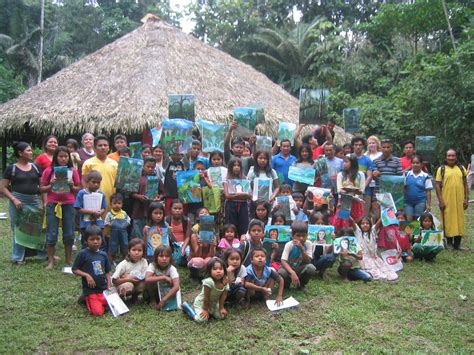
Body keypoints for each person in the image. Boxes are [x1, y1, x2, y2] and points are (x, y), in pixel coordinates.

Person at [0, 142, 44, 264]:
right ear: (20, 153)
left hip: (34, 200)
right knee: (18, 227)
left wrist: (44, 201)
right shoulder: (12, 168)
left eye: (31, 150)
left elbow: (41, 187)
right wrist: (14, 199)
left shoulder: (35, 167)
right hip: (17, 201)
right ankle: (18, 257)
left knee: (35, 228)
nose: (31, 153)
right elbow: (3, 187)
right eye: (28, 151)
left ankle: (39, 254)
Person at [40, 146, 81, 268]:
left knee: (69, 233)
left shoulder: (72, 171)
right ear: (56, 157)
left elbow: (78, 188)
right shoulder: (49, 171)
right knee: (52, 233)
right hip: (53, 203)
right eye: (60, 156)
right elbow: (41, 188)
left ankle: (68, 261)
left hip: (69, 203)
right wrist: (50, 185)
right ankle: (51, 261)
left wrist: (73, 186)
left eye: (65, 156)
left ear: (69, 157)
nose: (63, 159)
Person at [72, 225, 112, 317]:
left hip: (102, 289)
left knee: (112, 307)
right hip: (91, 289)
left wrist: (109, 284)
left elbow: (107, 271)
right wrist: (86, 275)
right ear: (86, 241)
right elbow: (74, 269)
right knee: (98, 313)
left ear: (101, 240)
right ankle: (86, 298)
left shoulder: (103, 255)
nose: (95, 241)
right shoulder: (82, 254)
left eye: (98, 239)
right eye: (92, 239)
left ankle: (93, 300)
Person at [435, 148, 468, 250]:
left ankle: (457, 244)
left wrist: (466, 198)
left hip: (459, 200)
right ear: (446, 157)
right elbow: (437, 185)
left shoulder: (462, 168)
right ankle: (449, 244)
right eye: (449, 155)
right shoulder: (442, 169)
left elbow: (465, 184)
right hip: (447, 200)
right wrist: (440, 201)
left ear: (456, 157)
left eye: (453, 155)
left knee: (459, 220)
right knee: (448, 220)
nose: (451, 157)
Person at [350, 217, 398, 281]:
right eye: (363, 223)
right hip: (364, 259)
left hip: (375, 258)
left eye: (367, 223)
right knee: (378, 274)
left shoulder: (373, 232)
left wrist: (386, 211)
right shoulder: (358, 232)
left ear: (370, 225)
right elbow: (352, 221)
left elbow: (380, 221)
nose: (365, 225)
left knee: (389, 272)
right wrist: (343, 211)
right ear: (359, 225)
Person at [81, 135, 118, 212]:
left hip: (112, 200)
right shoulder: (88, 163)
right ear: (94, 148)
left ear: (108, 148)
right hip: (94, 199)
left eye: (105, 145)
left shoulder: (115, 164)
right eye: (100, 145)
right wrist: (88, 195)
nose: (103, 147)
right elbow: (84, 180)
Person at [186, 257, 229, 322]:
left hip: (213, 304)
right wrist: (205, 310)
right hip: (202, 303)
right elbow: (206, 297)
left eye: (221, 269)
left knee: (221, 316)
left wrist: (221, 308)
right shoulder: (209, 282)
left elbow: (223, 296)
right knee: (202, 319)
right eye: (215, 269)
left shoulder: (225, 282)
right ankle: (188, 308)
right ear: (209, 271)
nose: (218, 271)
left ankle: (211, 311)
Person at [279, 221, 317, 290]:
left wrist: (302, 249)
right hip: (289, 268)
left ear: (307, 235)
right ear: (292, 236)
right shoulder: (289, 244)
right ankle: (286, 284)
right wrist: (292, 272)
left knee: (311, 268)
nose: (301, 238)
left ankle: (301, 285)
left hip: (300, 268)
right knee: (281, 272)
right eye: (298, 235)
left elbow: (308, 261)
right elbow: (283, 261)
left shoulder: (308, 244)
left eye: (303, 235)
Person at [130, 157, 162, 239]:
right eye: (148, 167)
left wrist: (159, 197)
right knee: (138, 233)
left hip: (151, 211)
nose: (150, 169)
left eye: (152, 167)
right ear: (143, 166)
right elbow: (131, 193)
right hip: (138, 210)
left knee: (150, 234)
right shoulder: (137, 177)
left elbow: (163, 193)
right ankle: (140, 249)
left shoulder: (156, 179)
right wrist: (139, 196)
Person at [74, 171, 107, 248]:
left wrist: (100, 212)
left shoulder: (101, 194)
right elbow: (78, 208)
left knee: (100, 242)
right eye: (93, 182)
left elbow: (104, 208)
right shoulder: (82, 193)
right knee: (86, 242)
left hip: (98, 223)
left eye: (98, 183)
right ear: (87, 182)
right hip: (86, 224)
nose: (96, 184)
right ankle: (85, 258)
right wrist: (92, 212)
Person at [145, 245, 181, 310]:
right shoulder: (152, 265)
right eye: (161, 256)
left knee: (175, 282)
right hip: (155, 290)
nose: (164, 259)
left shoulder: (172, 268)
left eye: (167, 256)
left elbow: (176, 286)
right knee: (149, 282)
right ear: (156, 257)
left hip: (167, 291)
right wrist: (163, 277)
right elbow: (147, 279)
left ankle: (166, 300)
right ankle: (152, 300)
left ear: (170, 258)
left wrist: (164, 300)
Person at [223, 158, 251, 237]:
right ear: (230, 167)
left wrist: (235, 194)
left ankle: (242, 245)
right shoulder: (226, 180)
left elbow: (249, 195)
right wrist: (242, 195)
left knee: (243, 226)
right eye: (234, 165)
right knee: (231, 226)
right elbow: (227, 196)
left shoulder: (246, 179)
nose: (236, 167)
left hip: (243, 205)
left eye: (238, 165)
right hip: (230, 205)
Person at [187, 207, 217, 279]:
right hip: (196, 259)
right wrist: (200, 246)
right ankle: (195, 276)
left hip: (206, 259)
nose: (204, 214)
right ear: (198, 218)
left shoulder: (212, 234)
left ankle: (206, 275)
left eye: (206, 212)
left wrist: (212, 246)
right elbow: (197, 255)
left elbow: (212, 255)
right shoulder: (194, 234)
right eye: (202, 213)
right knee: (199, 261)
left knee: (213, 259)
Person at [104, 193, 131, 263]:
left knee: (125, 244)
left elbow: (128, 220)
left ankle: (125, 257)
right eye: (114, 203)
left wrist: (125, 224)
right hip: (114, 233)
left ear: (122, 204)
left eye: (119, 203)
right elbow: (106, 222)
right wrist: (112, 225)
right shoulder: (110, 214)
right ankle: (111, 258)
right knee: (113, 244)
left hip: (123, 232)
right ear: (111, 204)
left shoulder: (124, 213)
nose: (117, 205)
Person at [404, 155, 433, 221]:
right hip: (408, 202)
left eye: (417, 163)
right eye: (413, 163)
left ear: (421, 164)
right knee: (409, 221)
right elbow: (403, 189)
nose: (415, 165)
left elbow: (428, 191)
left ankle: (418, 232)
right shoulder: (406, 174)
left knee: (418, 220)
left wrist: (428, 204)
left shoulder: (426, 176)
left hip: (420, 202)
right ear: (411, 164)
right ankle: (410, 232)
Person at [351, 136, 374, 216]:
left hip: (365, 192)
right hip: (350, 191)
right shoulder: (348, 159)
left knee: (364, 215)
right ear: (353, 146)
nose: (358, 147)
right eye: (356, 144)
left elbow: (369, 176)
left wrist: (362, 188)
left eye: (360, 145)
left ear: (363, 146)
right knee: (350, 215)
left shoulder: (367, 160)